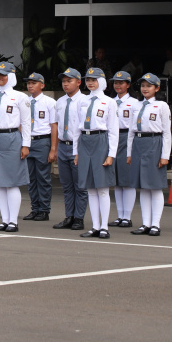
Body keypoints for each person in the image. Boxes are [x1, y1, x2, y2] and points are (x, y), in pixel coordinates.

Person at [0, 62, 31, 233]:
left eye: (3, 74)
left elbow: (26, 123)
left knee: (11, 182)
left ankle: (13, 221)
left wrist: (26, 145)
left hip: (11, 138)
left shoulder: (19, 97)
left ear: (11, 76)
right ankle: (4, 220)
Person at [74, 68, 119, 239]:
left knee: (102, 188)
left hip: (101, 140)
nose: (90, 83)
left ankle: (104, 227)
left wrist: (111, 154)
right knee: (90, 188)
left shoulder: (109, 102)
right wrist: (76, 152)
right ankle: (94, 226)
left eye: (94, 79)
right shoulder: (82, 101)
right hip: (85, 141)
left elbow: (113, 130)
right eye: (88, 80)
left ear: (102, 81)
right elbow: (76, 127)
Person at [127, 73, 171, 236]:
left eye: (149, 86)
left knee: (155, 186)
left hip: (154, 143)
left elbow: (167, 133)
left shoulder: (161, 106)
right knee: (143, 187)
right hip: (139, 144)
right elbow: (131, 131)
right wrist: (129, 152)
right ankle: (145, 223)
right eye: (143, 85)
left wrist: (165, 155)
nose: (145, 89)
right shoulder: (136, 106)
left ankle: (155, 224)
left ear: (157, 88)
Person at [53, 68, 88, 232]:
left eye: (69, 81)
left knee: (80, 185)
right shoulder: (60, 102)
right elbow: (57, 125)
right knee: (66, 186)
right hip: (63, 146)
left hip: (77, 146)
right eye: (64, 81)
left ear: (79, 82)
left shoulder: (85, 101)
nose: (66, 84)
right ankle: (69, 216)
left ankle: (79, 218)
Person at [23, 73, 57, 221]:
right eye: (29, 83)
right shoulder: (24, 101)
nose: (30, 85)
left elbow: (54, 126)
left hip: (42, 141)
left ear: (42, 85)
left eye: (34, 83)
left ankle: (44, 209)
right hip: (28, 141)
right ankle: (35, 208)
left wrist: (53, 149)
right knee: (31, 178)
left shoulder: (49, 102)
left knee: (43, 177)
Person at [110, 71, 137, 228]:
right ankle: (120, 216)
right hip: (113, 138)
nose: (118, 85)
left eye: (121, 82)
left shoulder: (134, 103)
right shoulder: (110, 101)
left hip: (127, 138)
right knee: (117, 181)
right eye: (115, 82)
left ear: (128, 84)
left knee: (127, 180)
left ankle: (127, 216)